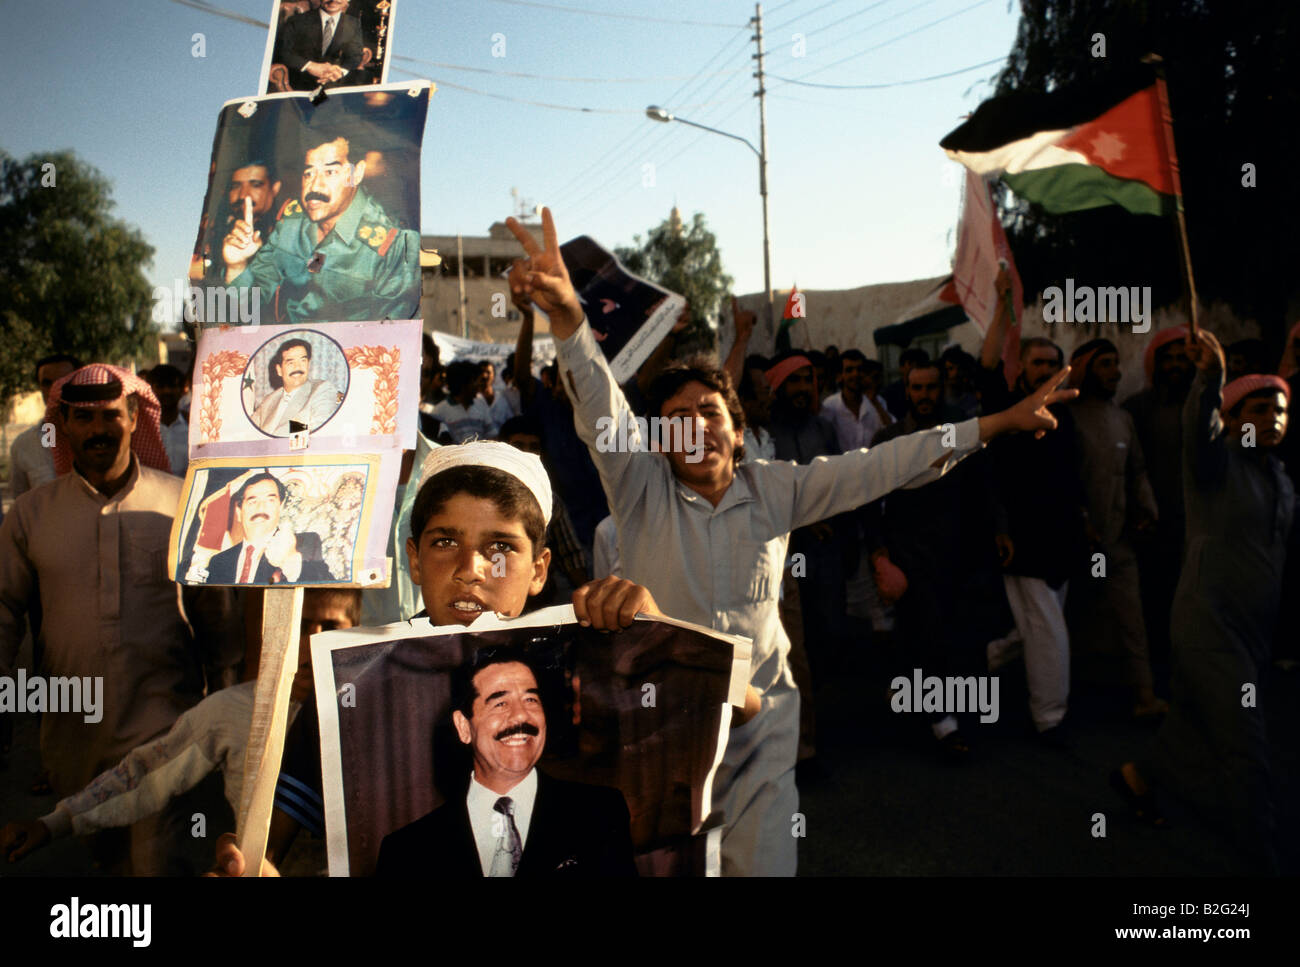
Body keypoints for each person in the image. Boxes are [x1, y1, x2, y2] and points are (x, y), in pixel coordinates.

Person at [503, 208, 1077, 875]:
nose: (694, 426)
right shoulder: (639, 486)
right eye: (675, 419)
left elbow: (887, 465)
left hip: (761, 728)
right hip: (666, 725)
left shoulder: (778, 488)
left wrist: (995, 422)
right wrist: (569, 316)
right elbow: (599, 403)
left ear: (737, 430)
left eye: (708, 412)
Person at [209, 440, 684, 877]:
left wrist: (663, 636)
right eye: (445, 543)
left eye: (500, 547)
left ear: (540, 569)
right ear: (414, 560)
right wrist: (246, 860)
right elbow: (267, 842)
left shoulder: (590, 657)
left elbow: (744, 709)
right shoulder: (354, 681)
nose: (469, 570)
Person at [0, 365, 240, 874]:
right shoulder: (30, 514)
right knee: (105, 866)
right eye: (83, 418)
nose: (98, 429)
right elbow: (3, 611)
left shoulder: (180, 502)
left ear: (135, 418)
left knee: (160, 864)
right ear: (62, 424)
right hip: (72, 737)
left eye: (111, 415)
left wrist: (227, 710)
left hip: (166, 729)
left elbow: (217, 619)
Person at [0, 589, 359, 866]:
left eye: (330, 627)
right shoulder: (233, 710)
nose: (313, 643)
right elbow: (146, 772)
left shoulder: (376, 706)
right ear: (272, 627)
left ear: (356, 628)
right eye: (298, 625)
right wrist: (53, 823)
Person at [1113, 331, 1293, 873]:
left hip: (1252, 634)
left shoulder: (1281, 480)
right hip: (1210, 631)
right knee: (1247, 750)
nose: (1273, 416)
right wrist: (1209, 378)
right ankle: (1261, 860)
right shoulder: (1217, 467)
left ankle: (1140, 777)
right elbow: (1200, 433)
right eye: (1258, 408)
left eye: (1281, 407)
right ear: (1234, 421)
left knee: (1191, 730)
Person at [375, 646, 637, 877]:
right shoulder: (407, 850)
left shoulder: (600, 814)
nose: (521, 716)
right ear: (463, 727)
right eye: (500, 703)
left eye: (531, 699)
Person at [867, 363, 1013, 756]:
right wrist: (879, 554)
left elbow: (986, 483)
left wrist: (999, 529)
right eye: (917, 387)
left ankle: (945, 711)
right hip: (909, 554)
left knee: (956, 635)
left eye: (932, 387)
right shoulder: (890, 438)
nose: (925, 394)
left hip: (959, 552)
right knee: (926, 632)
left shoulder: (962, 431)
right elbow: (868, 499)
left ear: (942, 388)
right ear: (907, 389)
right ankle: (943, 725)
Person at [975, 281, 1087, 739]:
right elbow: (985, 365)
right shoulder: (1006, 407)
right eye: (1036, 363)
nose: (1044, 370)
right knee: (1049, 634)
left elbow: (1073, 480)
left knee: (1039, 628)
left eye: (1051, 364)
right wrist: (1002, 305)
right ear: (1022, 369)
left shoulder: (1068, 416)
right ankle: (1050, 718)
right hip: (1020, 542)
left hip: (1061, 541)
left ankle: (979, 659)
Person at [221, 133, 419, 323]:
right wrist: (236, 266)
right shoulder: (291, 224)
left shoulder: (392, 244)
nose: (314, 186)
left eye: (330, 172)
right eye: (308, 173)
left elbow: (395, 334)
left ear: (356, 173)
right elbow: (244, 311)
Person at [1066, 338, 1165, 720]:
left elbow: (1137, 470)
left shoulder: (1122, 417)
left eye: (1115, 363)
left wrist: (1146, 510)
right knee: (1080, 615)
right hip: (1084, 544)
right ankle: (1067, 695)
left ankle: (1145, 696)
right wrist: (1081, 520)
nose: (1114, 372)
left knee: (1130, 617)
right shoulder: (1067, 418)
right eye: (1104, 364)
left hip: (1119, 542)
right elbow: (1063, 478)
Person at [1123, 328, 1193, 659]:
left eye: (1183, 358)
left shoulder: (1207, 408)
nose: (1176, 365)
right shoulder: (1137, 409)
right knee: (1157, 597)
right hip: (1154, 521)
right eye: (1169, 358)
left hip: (1199, 522)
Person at [203, 472, 333, 585]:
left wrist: (291, 561)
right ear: (238, 512)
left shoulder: (306, 544)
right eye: (252, 501)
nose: (260, 508)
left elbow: (328, 592)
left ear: (280, 507)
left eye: (270, 500)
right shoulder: (218, 562)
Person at [8, 354, 80, 501]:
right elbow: (21, 505)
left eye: (63, 382)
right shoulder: (24, 446)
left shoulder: (97, 436)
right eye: (47, 383)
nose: (55, 389)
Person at [250, 338, 343, 436]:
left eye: (303, 360)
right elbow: (248, 431)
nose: (298, 367)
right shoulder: (268, 400)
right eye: (290, 362)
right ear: (279, 370)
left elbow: (321, 432)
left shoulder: (322, 389)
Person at [274, 0, 364, 92]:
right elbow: (282, 52)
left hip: (333, 84)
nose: (333, 1)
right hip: (300, 84)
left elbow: (355, 56)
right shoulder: (297, 21)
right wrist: (310, 66)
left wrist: (340, 72)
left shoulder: (353, 24)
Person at [822, 349, 887, 452]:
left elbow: (891, 431)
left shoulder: (878, 402)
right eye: (849, 370)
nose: (855, 374)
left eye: (859, 369)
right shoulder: (829, 406)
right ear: (839, 377)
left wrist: (875, 402)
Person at [431, 361, 496, 443]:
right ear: (464, 384)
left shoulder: (481, 404)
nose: (478, 385)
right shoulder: (439, 412)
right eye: (475, 381)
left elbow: (493, 436)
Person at [147, 364, 190, 477]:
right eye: (160, 386)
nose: (167, 391)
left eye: (172, 386)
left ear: (182, 390)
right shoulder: (144, 428)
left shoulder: (192, 426)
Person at [882, 347, 930, 421]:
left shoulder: (933, 389)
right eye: (911, 364)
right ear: (901, 367)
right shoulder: (890, 393)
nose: (914, 367)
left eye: (919, 364)